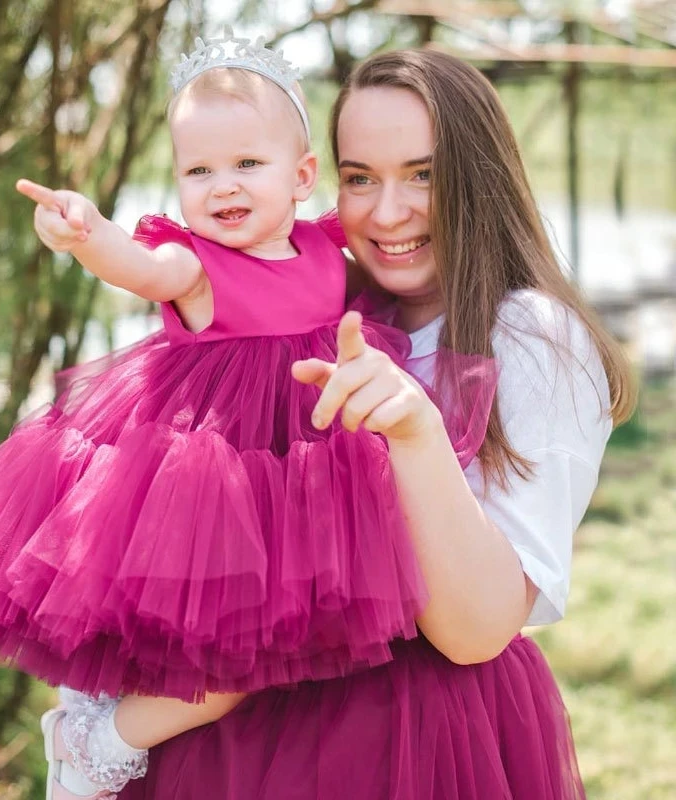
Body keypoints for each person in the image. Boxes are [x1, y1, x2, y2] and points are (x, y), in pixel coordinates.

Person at [0, 35, 496, 800]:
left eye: (247, 166)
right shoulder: (196, 263)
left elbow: (400, 267)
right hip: (217, 471)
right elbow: (142, 268)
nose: (223, 187)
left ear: (302, 177)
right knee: (227, 673)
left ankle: (118, 721)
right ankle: (97, 742)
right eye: (199, 170)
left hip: (307, 475)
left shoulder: (327, 252)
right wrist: (90, 236)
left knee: (279, 658)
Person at [110, 49, 634, 800]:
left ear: (479, 175)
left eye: (423, 173)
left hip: (416, 738)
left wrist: (416, 434)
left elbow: (477, 629)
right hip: (245, 724)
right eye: (359, 178)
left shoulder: (530, 336)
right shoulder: (325, 308)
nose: (387, 213)